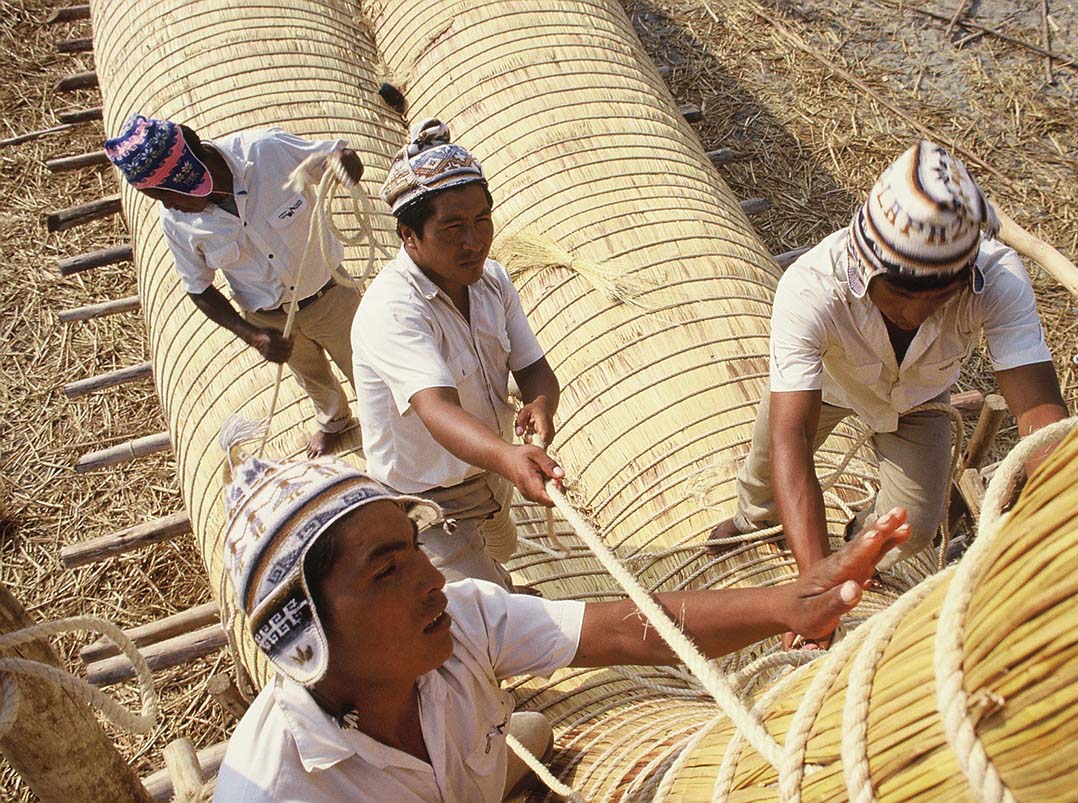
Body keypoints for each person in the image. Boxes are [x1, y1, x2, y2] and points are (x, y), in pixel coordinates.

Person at [211, 437, 911, 802]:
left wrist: (786, 602)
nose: (432, 579)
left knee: (534, 732)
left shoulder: (461, 618)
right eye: (387, 569)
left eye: (416, 547)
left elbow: (617, 629)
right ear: (305, 632)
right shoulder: (276, 788)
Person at [709, 141, 1068, 646]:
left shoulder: (999, 281)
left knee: (917, 528)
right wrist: (820, 590)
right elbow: (793, 434)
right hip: (831, 384)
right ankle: (752, 519)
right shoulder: (811, 286)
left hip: (917, 399)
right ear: (865, 268)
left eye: (939, 298)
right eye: (899, 297)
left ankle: (862, 536)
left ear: (965, 276)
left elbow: (1037, 414)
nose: (916, 315)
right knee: (768, 468)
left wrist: (1068, 501)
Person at [352, 119, 561, 588]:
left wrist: (541, 403)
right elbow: (437, 409)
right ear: (409, 235)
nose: (474, 241)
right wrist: (510, 456)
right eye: (452, 228)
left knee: (499, 548)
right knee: (487, 619)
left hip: (490, 475)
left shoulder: (493, 281)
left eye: (481, 220)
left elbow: (534, 368)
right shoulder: (392, 309)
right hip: (430, 499)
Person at [103, 115, 365, 457]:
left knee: (365, 364)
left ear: (190, 178)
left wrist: (343, 165)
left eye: (165, 195)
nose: (168, 205)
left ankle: (391, 422)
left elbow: (343, 159)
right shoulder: (178, 222)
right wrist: (251, 334)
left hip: (331, 295)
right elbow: (199, 289)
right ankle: (334, 421)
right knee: (310, 375)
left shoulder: (267, 152)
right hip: (268, 315)